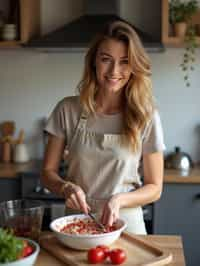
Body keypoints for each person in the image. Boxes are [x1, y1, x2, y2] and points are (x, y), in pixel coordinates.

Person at [42, 20, 165, 234]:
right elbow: (47, 172)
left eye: (124, 61)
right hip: (76, 223)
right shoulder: (67, 109)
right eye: (105, 59)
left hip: (126, 224)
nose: (114, 70)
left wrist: (119, 200)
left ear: (134, 66)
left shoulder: (145, 115)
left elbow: (155, 188)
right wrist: (65, 187)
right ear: (94, 62)